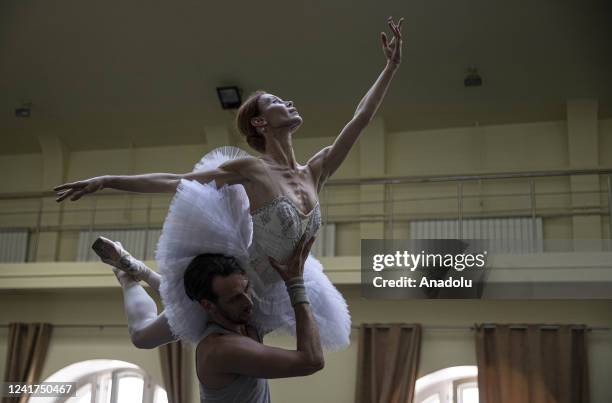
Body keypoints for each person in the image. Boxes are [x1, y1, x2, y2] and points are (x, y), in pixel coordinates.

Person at [55, 17, 404, 351]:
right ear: (260, 122)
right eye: (276, 102)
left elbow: (361, 119)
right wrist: (106, 180)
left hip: (281, 289)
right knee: (144, 337)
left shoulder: (316, 170)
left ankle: (140, 271)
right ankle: (131, 273)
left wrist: (390, 70)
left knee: (233, 351)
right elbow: (176, 181)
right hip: (237, 284)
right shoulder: (251, 170)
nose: (289, 103)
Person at [100, 235, 320, 403]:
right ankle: (127, 278)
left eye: (246, 289)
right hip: (215, 322)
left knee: (177, 306)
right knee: (140, 337)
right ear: (208, 306)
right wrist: (295, 283)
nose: (248, 302)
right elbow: (311, 361)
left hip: (212, 306)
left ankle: (141, 270)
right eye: (235, 299)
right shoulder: (221, 349)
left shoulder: (239, 314)